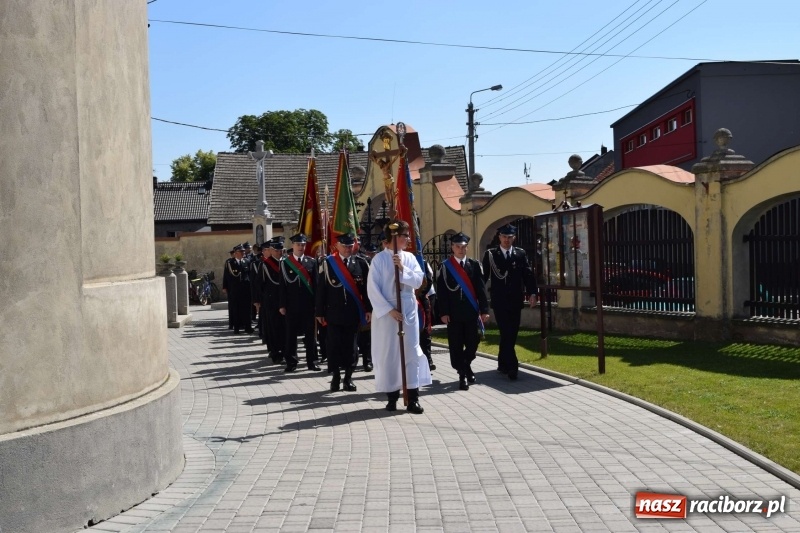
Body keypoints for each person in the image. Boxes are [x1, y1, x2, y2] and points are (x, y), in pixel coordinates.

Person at [367, 220, 431, 414]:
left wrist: (403, 269)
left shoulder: (409, 258)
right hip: (387, 314)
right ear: (394, 238)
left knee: (410, 351)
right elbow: (373, 289)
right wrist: (389, 310)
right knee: (390, 353)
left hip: (408, 309)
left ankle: (413, 397)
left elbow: (419, 280)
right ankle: (392, 396)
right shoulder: (379, 260)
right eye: (405, 236)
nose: (408, 239)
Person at [316, 233, 372, 392]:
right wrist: (319, 312)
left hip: (353, 314)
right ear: (337, 246)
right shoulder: (328, 263)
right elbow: (321, 290)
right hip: (333, 313)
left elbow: (366, 290)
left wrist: (368, 309)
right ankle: (335, 377)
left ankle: (348, 378)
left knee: (351, 347)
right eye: (344, 246)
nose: (348, 248)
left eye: (350, 246)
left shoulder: (361, 263)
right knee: (333, 346)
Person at [482, 224, 537, 380]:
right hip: (499, 301)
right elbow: (483, 277)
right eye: (504, 237)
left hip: (515, 300)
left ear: (514, 238)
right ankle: (513, 366)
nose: (507, 240)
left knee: (511, 334)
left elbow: (527, 274)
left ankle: (502, 362)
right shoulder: (491, 255)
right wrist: (479, 298)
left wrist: (533, 292)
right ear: (499, 237)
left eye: (510, 237)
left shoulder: (520, 254)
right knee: (506, 332)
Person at [436, 232, 490, 390]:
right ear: (452, 247)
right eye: (457, 247)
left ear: (467, 248)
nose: (460, 249)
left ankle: (466, 364)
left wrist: (484, 310)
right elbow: (442, 292)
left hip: (471, 311)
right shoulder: (446, 267)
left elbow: (481, 289)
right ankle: (462, 374)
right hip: (453, 314)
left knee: (473, 342)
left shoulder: (474, 265)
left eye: (463, 247)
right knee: (456, 344)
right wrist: (443, 312)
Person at [279, 234, 321, 372]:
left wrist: (318, 305)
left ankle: (312, 362)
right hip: (292, 305)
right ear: (293, 246)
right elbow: (282, 286)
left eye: (303, 245)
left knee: (311, 335)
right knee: (290, 335)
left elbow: (316, 285)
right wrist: (282, 305)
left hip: (308, 305)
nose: (301, 247)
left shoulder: (312, 262)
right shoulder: (285, 263)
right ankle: (291, 362)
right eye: (298, 244)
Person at [260, 237, 285, 364]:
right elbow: (261, 284)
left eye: (281, 250)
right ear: (271, 250)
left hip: (285, 300)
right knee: (274, 328)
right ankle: (275, 352)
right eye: (276, 250)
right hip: (271, 300)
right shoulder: (265, 264)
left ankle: (286, 350)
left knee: (285, 327)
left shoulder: (286, 263)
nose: (279, 253)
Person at [224, 244, 254, 334]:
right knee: (236, 309)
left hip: (245, 289)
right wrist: (225, 287)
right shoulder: (230, 263)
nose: (243, 253)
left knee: (247, 309)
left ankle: (248, 327)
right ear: (236, 253)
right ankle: (236, 328)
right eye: (241, 251)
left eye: (244, 251)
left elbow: (250, 275)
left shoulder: (247, 262)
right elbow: (226, 276)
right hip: (235, 290)